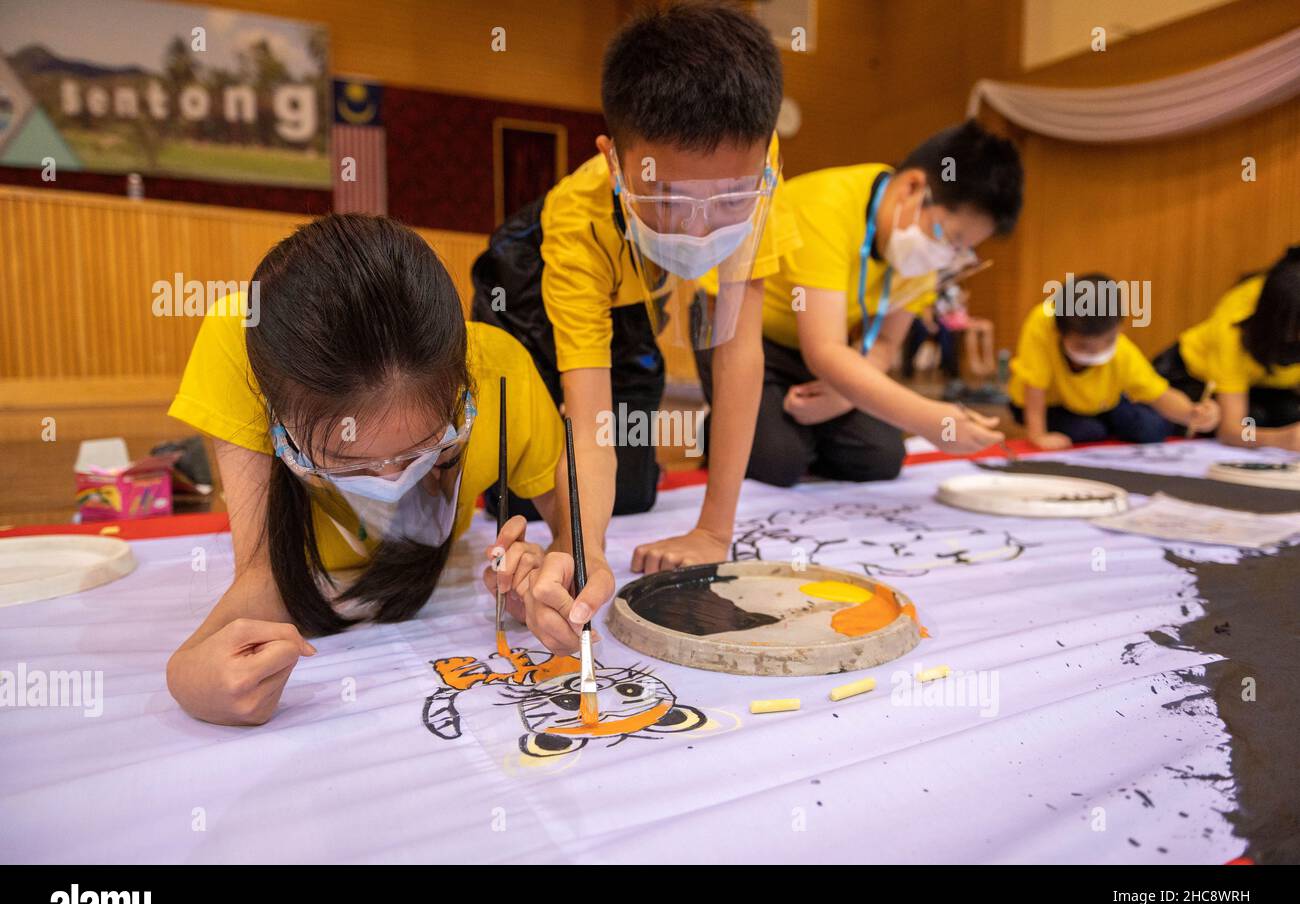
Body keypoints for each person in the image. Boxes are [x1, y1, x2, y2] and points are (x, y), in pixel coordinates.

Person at [471, 1, 799, 651]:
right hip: (530, 278)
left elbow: (736, 349)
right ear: (614, 162)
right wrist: (582, 554)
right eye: (672, 202)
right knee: (520, 493)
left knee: (636, 492)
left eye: (730, 201)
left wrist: (713, 528)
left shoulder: (753, 156)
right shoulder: (577, 227)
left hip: (634, 289)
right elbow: (587, 423)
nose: (703, 229)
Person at [166, 214, 564, 725]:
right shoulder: (241, 342)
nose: (391, 479)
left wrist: (549, 576)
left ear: (460, 394)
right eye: (351, 463)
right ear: (279, 420)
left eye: (425, 449)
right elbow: (262, 576)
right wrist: (188, 679)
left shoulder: (499, 367)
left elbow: (571, 534)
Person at [711, 120, 1021, 488]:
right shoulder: (828, 206)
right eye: (951, 236)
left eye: (962, 248)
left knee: (881, 456)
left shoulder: (920, 250)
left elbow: (886, 344)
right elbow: (823, 352)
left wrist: (842, 395)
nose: (949, 253)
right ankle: (721, 425)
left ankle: (784, 427)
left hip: (817, 347)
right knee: (780, 459)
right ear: (912, 188)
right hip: (739, 330)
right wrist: (929, 419)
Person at [1010, 273, 1219, 448]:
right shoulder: (1041, 323)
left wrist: (1194, 414)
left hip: (1101, 403)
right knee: (1089, 430)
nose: (1098, 352)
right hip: (1050, 404)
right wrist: (1038, 436)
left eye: (1108, 341)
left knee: (1152, 427)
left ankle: (1104, 425)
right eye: (1084, 347)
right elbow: (1034, 386)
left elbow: (1159, 393)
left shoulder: (1122, 352)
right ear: (1060, 333)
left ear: (1120, 327)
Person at [1153, 246, 1300, 450]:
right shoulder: (1233, 331)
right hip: (1193, 379)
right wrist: (1281, 439)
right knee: (1254, 420)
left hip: (1264, 385)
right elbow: (1231, 430)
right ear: (1286, 327)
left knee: (1289, 413)